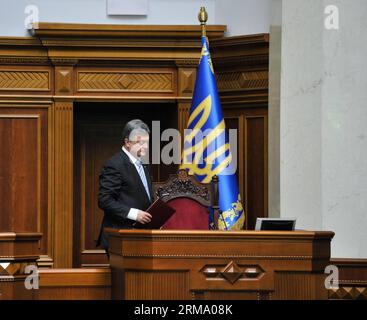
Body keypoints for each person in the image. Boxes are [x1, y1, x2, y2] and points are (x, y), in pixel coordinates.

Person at [96, 119, 154, 255]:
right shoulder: (114, 165)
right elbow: (105, 200)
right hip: (120, 236)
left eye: (147, 142)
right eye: (140, 143)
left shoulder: (143, 164)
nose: (145, 147)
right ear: (127, 142)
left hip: (140, 236)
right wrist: (134, 214)